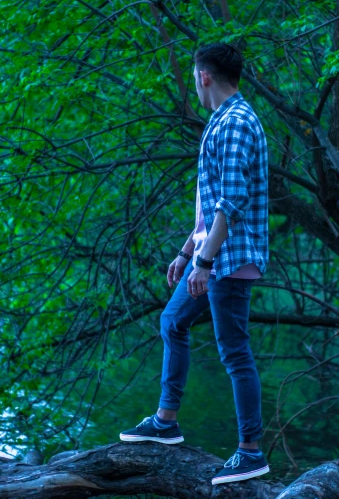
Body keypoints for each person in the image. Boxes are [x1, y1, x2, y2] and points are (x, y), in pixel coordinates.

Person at [119, 43, 269, 486]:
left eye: (194, 76)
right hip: (210, 255)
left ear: (204, 76)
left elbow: (232, 202)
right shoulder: (220, 121)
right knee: (173, 321)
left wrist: (203, 261)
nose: (195, 85)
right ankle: (166, 422)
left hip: (229, 258)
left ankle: (251, 452)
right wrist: (187, 253)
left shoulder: (237, 122)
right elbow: (211, 208)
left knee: (235, 352)